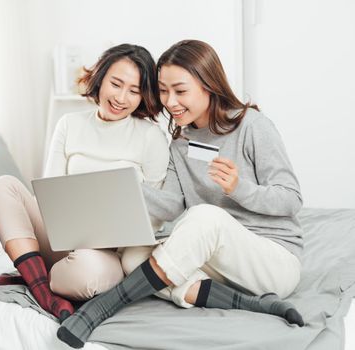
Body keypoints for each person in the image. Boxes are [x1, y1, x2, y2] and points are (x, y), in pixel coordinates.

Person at [57, 39, 305, 348]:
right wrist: (123, 188)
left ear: (208, 86)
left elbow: (291, 199)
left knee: (205, 217)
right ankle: (250, 303)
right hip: (222, 263)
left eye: (180, 91)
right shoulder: (180, 144)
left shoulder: (252, 125)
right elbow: (171, 205)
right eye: (163, 90)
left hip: (272, 260)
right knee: (134, 257)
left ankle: (103, 307)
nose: (170, 102)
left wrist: (239, 189)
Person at [0, 44, 169, 322]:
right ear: (100, 78)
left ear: (144, 96)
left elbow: (155, 214)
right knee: (3, 186)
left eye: (134, 91)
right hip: (58, 238)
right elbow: (47, 193)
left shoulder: (150, 136)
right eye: (116, 84)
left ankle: (31, 274)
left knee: (88, 275)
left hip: (106, 253)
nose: (121, 97)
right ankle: (43, 292)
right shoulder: (69, 124)